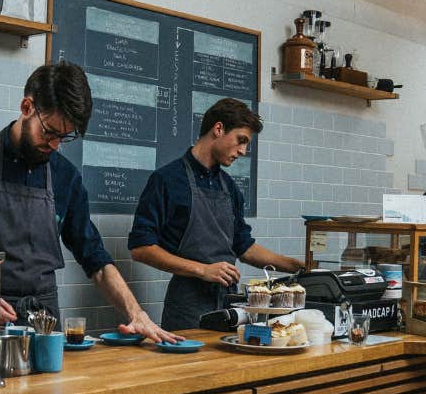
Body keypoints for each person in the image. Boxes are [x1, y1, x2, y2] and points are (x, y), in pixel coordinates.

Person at [0, 62, 178, 358]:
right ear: (27, 107)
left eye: (65, 137)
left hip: (45, 330)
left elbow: (96, 261)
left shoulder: (66, 177)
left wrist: (135, 312)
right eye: (49, 132)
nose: (55, 145)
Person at [128, 97, 305, 331]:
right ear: (218, 129)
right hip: (187, 307)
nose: (243, 151)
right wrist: (203, 270)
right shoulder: (166, 180)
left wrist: (299, 268)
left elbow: (245, 248)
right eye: (241, 141)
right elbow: (141, 248)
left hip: (229, 305)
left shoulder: (230, 188)